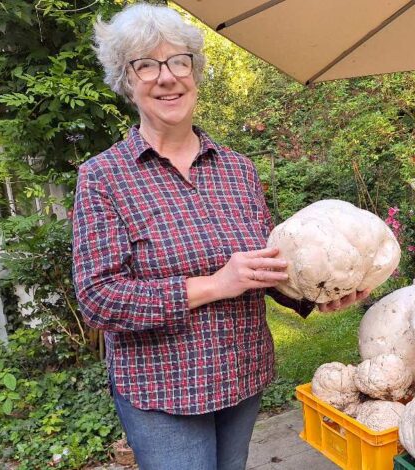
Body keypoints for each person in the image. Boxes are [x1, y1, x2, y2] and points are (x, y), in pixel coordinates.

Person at [72, 4, 368, 469]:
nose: (166, 77)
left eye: (178, 61)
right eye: (146, 65)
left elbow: (264, 267)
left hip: (242, 376)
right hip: (164, 390)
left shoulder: (238, 170)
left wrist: (315, 295)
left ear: (194, 71)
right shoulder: (103, 177)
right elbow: (98, 298)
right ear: (126, 80)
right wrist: (214, 284)